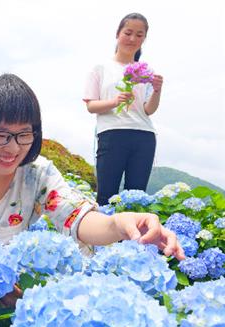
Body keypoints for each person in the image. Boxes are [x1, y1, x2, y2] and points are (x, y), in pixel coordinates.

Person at [0, 74, 183, 261]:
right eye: (0, 135)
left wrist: (120, 224)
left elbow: (77, 217)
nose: (13, 149)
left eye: (24, 134)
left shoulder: (37, 172)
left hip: (11, 289)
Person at [83, 13, 163, 205]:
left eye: (139, 35)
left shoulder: (145, 72)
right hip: (112, 134)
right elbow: (91, 105)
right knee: (106, 196)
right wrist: (115, 101)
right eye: (128, 33)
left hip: (143, 136)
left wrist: (157, 90)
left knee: (135, 199)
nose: (133, 39)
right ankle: (103, 236)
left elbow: (148, 110)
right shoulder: (100, 68)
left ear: (144, 39)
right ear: (118, 34)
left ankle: (129, 236)